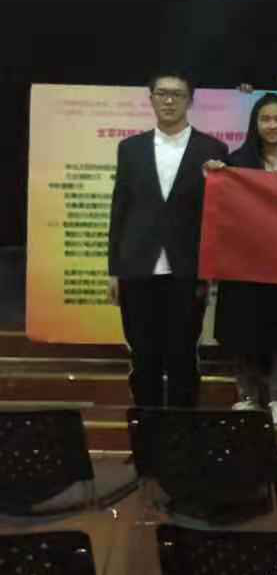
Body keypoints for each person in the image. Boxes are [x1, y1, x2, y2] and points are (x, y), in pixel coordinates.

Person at [107, 71, 228, 408]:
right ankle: (146, 428)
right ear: (151, 99)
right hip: (137, 266)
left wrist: (213, 266)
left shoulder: (212, 149)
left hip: (187, 268)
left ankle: (181, 431)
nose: (169, 100)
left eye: (177, 94)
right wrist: (114, 269)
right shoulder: (130, 148)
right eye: (162, 93)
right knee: (142, 354)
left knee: (182, 354)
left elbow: (221, 214)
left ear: (190, 100)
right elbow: (120, 209)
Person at [207, 94, 277, 425]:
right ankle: (247, 395)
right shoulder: (236, 161)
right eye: (266, 119)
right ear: (255, 123)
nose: (272, 126)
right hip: (243, 264)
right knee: (242, 330)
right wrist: (215, 176)